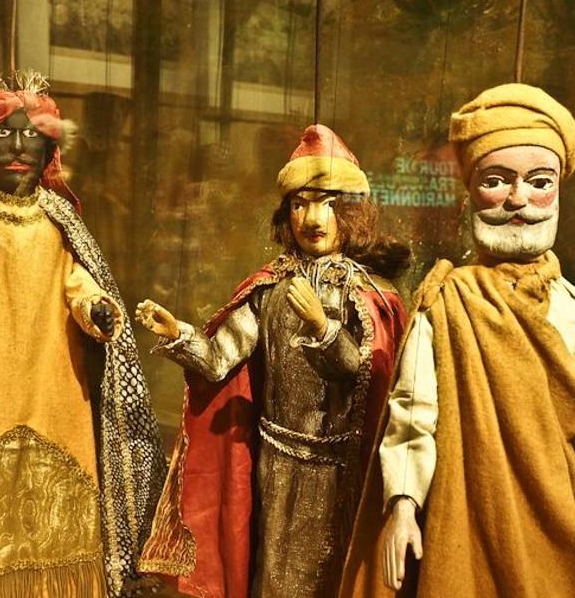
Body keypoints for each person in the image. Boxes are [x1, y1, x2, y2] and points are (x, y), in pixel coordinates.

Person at [135, 124, 409, 597]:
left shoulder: (370, 295)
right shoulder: (270, 288)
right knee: (272, 573)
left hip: (340, 469)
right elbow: (219, 359)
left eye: (327, 203)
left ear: (349, 212)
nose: (312, 218)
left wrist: (323, 330)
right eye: (300, 204)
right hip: (275, 461)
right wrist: (179, 335)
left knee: (334, 576)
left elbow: (366, 374)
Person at [340, 83, 575, 598]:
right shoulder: (446, 301)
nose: (518, 200)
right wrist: (403, 506)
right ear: (470, 193)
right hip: (472, 519)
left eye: (539, 182)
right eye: (496, 181)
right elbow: (413, 413)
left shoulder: (570, 308)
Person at [0, 70, 166, 597]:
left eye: (31, 134)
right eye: (2, 134)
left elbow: (79, 283)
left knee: (63, 513)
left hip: (58, 387)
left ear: (49, 148)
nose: (18, 147)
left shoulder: (61, 221)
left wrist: (96, 309)